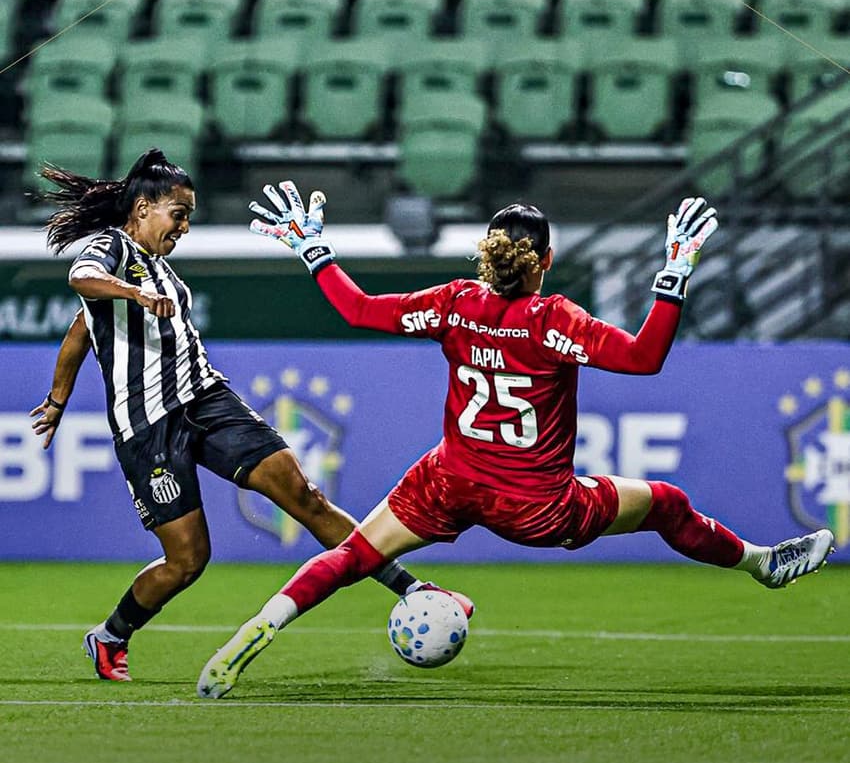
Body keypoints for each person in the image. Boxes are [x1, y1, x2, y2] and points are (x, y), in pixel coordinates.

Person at [195, 181, 835, 700]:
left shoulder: (456, 303)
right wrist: (674, 273)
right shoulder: (555, 320)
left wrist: (315, 251)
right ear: (546, 261)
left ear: (486, 254)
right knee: (665, 503)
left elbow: (359, 309)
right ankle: (762, 564)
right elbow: (644, 358)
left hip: (448, 480)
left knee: (354, 555)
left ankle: (258, 628)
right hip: (535, 505)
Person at [31, 149, 471, 684]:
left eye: (189, 214)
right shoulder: (114, 252)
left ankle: (411, 588)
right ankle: (110, 636)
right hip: (149, 427)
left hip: (207, 401)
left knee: (305, 495)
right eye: (179, 212)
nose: (185, 225)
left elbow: (80, 332)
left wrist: (59, 397)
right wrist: (130, 299)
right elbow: (82, 279)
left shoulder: (160, 270)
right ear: (143, 208)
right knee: (188, 560)